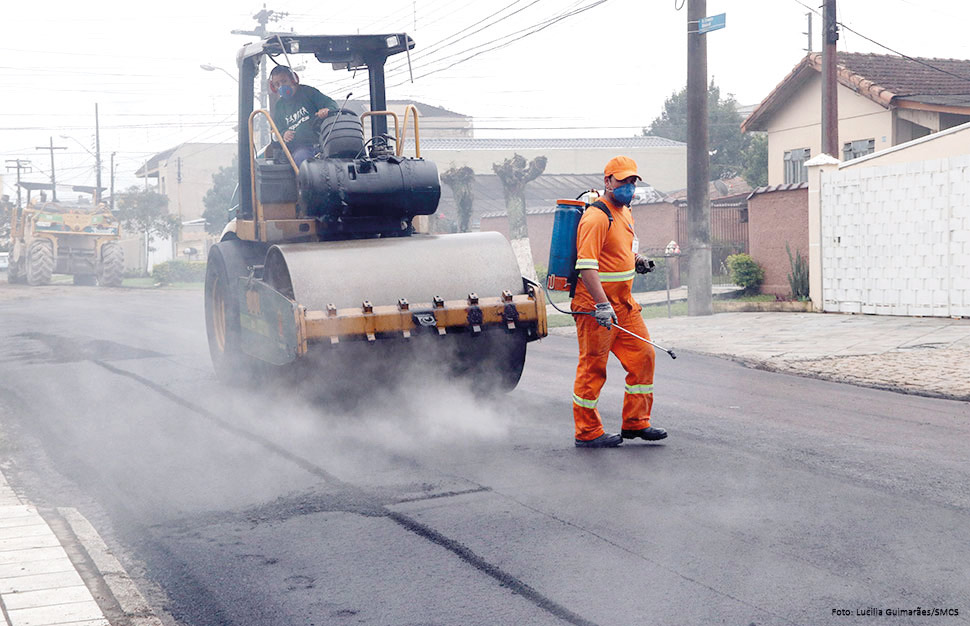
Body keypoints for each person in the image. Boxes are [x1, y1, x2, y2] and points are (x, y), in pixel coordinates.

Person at [571, 156, 667, 448]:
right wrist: (601, 305)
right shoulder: (597, 216)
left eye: (632, 181)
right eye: (622, 181)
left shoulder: (624, 212)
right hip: (595, 308)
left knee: (643, 357)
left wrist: (638, 261)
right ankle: (587, 432)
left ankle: (636, 423)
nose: (628, 187)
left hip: (624, 305)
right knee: (593, 368)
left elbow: (617, 252)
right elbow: (586, 266)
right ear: (607, 181)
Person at [268, 65, 338, 166]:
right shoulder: (279, 106)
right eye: (277, 84)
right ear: (273, 87)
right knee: (303, 159)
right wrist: (284, 134)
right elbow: (279, 129)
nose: (281, 87)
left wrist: (327, 110)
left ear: (293, 79)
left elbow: (332, 104)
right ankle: (306, 181)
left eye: (284, 81)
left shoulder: (308, 92)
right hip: (298, 148)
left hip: (322, 143)